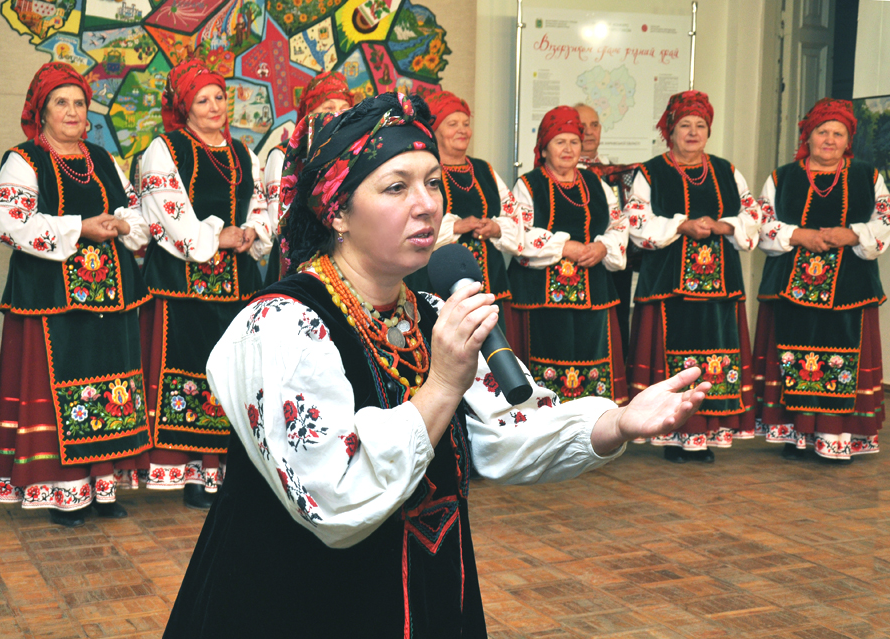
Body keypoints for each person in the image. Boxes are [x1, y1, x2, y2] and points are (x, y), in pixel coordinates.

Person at [162, 92, 710, 637]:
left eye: (431, 181)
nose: (426, 203)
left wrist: (618, 422)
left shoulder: (431, 314)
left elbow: (501, 433)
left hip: (431, 594)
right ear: (337, 211)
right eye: (396, 186)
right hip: (301, 604)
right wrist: (443, 382)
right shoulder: (281, 324)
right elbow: (333, 495)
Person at [0, 62, 152, 527]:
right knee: (59, 389)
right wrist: (79, 228)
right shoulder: (23, 159)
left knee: (108, 387)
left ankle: (102, 485)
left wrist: (121, 223)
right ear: (41, 111)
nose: (72, 111)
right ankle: (65, 492)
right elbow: (11, 222)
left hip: (110, 294)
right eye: (61, 102)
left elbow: (135, 213)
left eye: (80, 103)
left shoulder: (102, 158)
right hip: (52, 297)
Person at [138, 59, 270, 507]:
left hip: (236, 282)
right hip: (184, 283)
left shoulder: (243, 153)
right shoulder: (165, 148)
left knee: (235, 374)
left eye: (219, 96)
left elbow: (261, 203)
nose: (214, 106)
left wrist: (252, 230)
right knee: (191, 371)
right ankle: (194, 473)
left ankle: (230, 471)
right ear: (184, 107)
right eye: (202, 100)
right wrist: (216, 237)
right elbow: (167, 212)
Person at [625, 90, 763, 463]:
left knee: (715, 356)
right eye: (684, 125)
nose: (692, 132)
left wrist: (723, 225)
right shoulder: (651, 171)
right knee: (670, 356)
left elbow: (754, 217)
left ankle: (707, 433)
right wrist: (681, 225)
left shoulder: (726, 170)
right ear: (669, 130)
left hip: (719, 286)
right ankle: (669, 433)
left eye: (700, 125)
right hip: (668, 284)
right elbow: (635, 221)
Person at [754, 98, 889, 463]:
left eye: (838, 133)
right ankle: (795, 435)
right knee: (793, 357)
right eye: (822, 132)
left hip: (850, 287)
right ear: (808, 136)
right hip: (791, 287)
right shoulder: (782, 177)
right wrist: (799, 235)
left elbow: (885, 221)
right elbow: (760, 222)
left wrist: (853, 234)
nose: (829, 140)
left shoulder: (869, 176)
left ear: (849, 141)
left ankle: (836, 436)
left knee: (840, 358)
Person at [506, 106, 628, 405]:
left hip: (593, 295)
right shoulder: (528, 184)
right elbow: (518, 232)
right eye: (560, 141)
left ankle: (590, 432)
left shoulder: (595, 184)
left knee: (592, 363)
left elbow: (619, 225)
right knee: (543, 364)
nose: (568, 148)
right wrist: (564, 246)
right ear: (544, 148)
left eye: (574, 141)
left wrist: (603, 247)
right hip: (541, 298)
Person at [403, 89, 523, 332]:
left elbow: (516, 216)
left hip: (490, 285)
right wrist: (457, 226)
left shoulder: (484, 170)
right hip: (437, 284)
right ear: (434, 130)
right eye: (452, 123)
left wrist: (496, 228)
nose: (462, 130)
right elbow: (408, 220)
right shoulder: (424, 169)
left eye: (466, 124)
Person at [262, 71, 353, 284]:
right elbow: (281, 219)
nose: (337, 115)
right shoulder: (283, 155)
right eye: (328, 109)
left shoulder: (356, 153)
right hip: (298, 261)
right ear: (308, 115)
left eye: (344, 108)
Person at [575, 103, 640, 351]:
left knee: (618, 325)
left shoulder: (617, 173)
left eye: (594, 125)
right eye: (582, 126)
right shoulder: (550, 175)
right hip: (577, 262)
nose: (589, 132)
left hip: (613, 262)